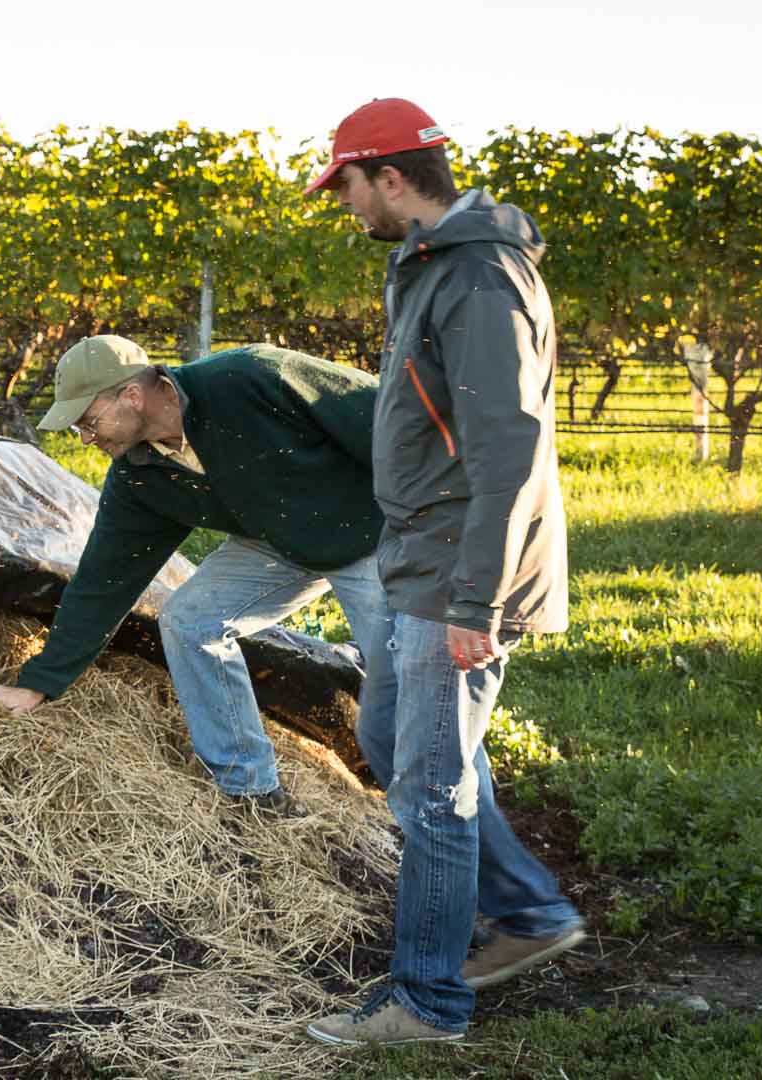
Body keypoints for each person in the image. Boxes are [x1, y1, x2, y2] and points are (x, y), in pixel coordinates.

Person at [300, 98, 584, 1046]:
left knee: (433, 786)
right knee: (390, 735)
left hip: (459, 568)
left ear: (388, 174)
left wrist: (478, 598)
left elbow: (506, 448)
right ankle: (529, 913)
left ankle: (426, 1002)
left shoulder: (475, 281)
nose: (344, 206)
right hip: (423, 555)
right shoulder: (431, 269)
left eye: (344, 185)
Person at [0, 335, 394, 817]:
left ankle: (454, 820)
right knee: (190, 622)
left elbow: (389, 419)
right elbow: (104, 581)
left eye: (89, 420)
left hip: (375, 532)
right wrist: (36, 684)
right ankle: (252, 791)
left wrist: (450, 528)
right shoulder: (140, 473)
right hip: (278, 542)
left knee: (408, 680)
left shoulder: (247, 379)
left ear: (131, 394)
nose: (86, 437)